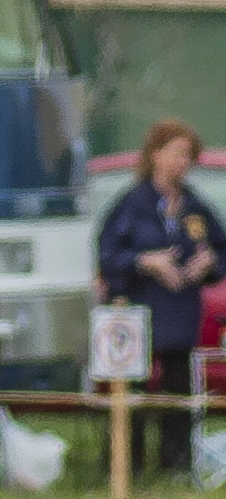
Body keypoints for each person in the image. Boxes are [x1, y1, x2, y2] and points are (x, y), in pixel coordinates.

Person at [99, 119, 226, 479]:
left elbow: (219, 248)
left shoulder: (195, 207)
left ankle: (177, 466)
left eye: (189, 155)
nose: (184, 161)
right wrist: (145, 262)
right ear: (156, 154)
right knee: (132, 393)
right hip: (137, 316)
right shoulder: (132, 204)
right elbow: (108, 257)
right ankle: (128, 467)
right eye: (178, 153)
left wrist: (209, 262)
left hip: (180, 316)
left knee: (177, 393)